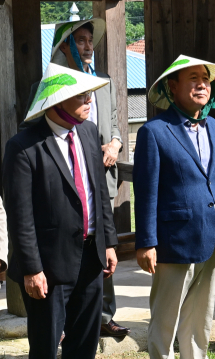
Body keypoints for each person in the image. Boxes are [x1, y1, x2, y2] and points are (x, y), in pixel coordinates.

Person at [2, 63, 119, 359]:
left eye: (89, 94)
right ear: (56, 100)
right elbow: (20, 214)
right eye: (81, 95)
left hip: (91, 258)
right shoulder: (24, 146)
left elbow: (98, 192)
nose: (89, 100)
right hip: (48, 266)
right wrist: (32, 268)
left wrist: (109, 242)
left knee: (84, 343)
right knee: (45, 344)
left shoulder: (89, 133)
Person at [20, 18, 128, 337]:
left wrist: (116, 143)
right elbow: (32, 132)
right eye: (80, 40)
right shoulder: (44, 87)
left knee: (100, 244)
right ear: (63, 46)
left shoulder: (104, 81)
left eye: (90, 41)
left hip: (96, 177)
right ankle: (62, 317)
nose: (88, 46)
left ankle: (102, 314)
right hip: (60, 185)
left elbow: (114, 121)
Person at [133, 55, 215, 359]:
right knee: (165, 321)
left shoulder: (214, 127)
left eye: (205, 79)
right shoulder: (154, 131)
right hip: (173, 240)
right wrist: (146, 242)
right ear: (172, 87)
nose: (202, 84)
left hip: (210, 237)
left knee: (200, 319)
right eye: (193, 78)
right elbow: (146, 191)